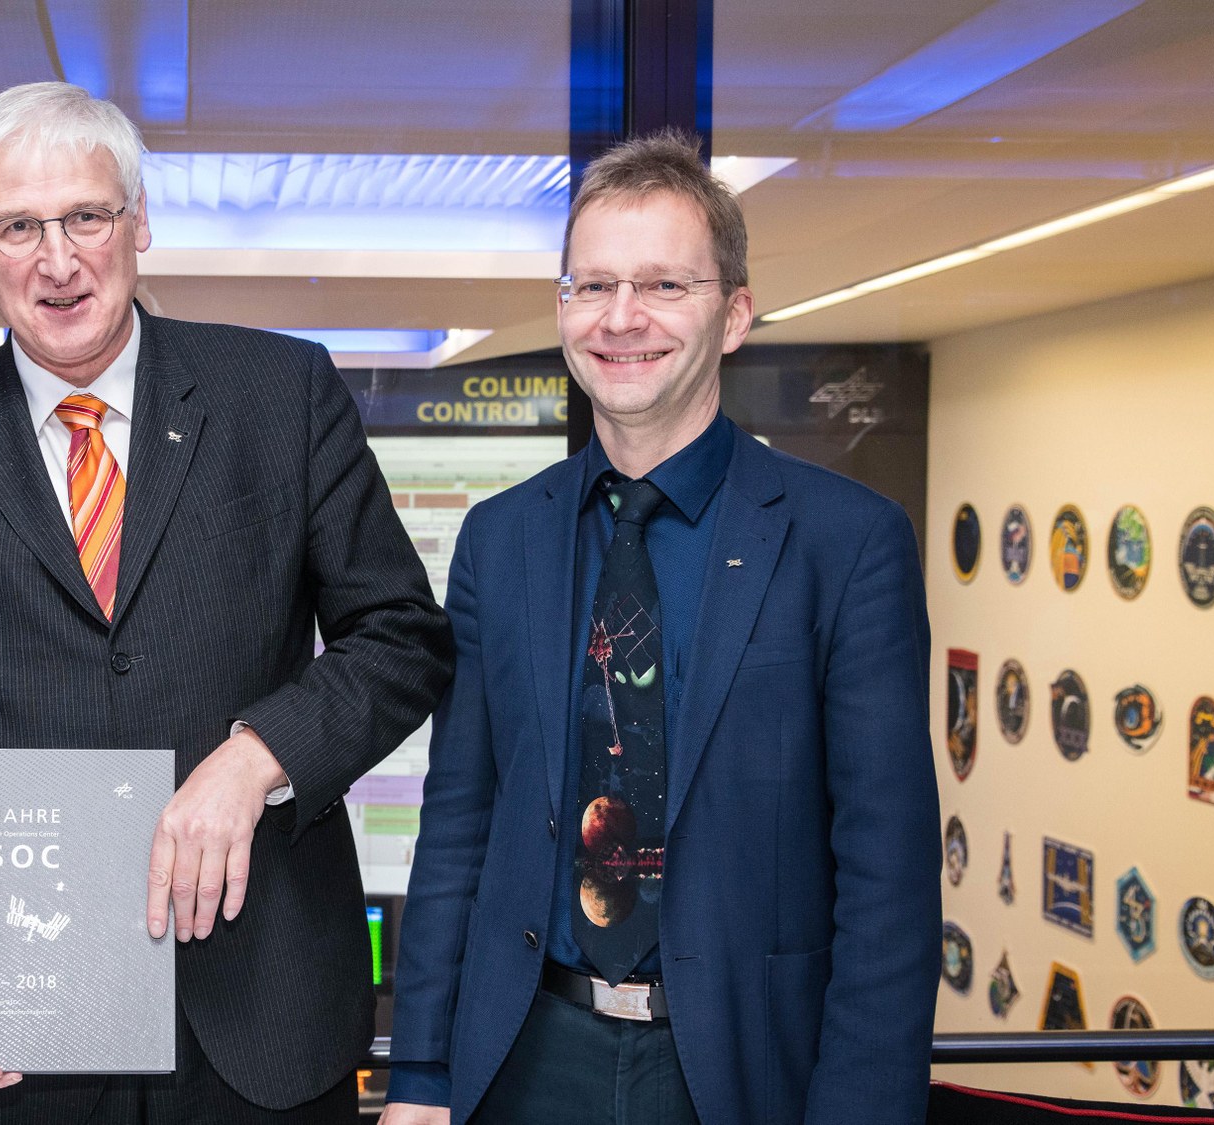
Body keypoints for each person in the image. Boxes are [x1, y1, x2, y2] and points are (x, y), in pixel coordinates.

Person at [0, 82, 454, 1123]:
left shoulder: (278, 394)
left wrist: (259, 757)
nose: (57, 259)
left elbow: (401, 639)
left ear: (139, 221)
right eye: (18, 226)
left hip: (260, 1013)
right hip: (8, 1030)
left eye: (86, 216)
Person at [384, 131, 939, 1125]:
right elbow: (459, 822)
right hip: (523, 1058)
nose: (620, 318)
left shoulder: (843, 544)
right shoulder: (498, 540)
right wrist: (421, 1075)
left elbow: (886, 881)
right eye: (590, 286)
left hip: (737, 1066)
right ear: (560, 309)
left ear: (731, 315)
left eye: (662, 287)